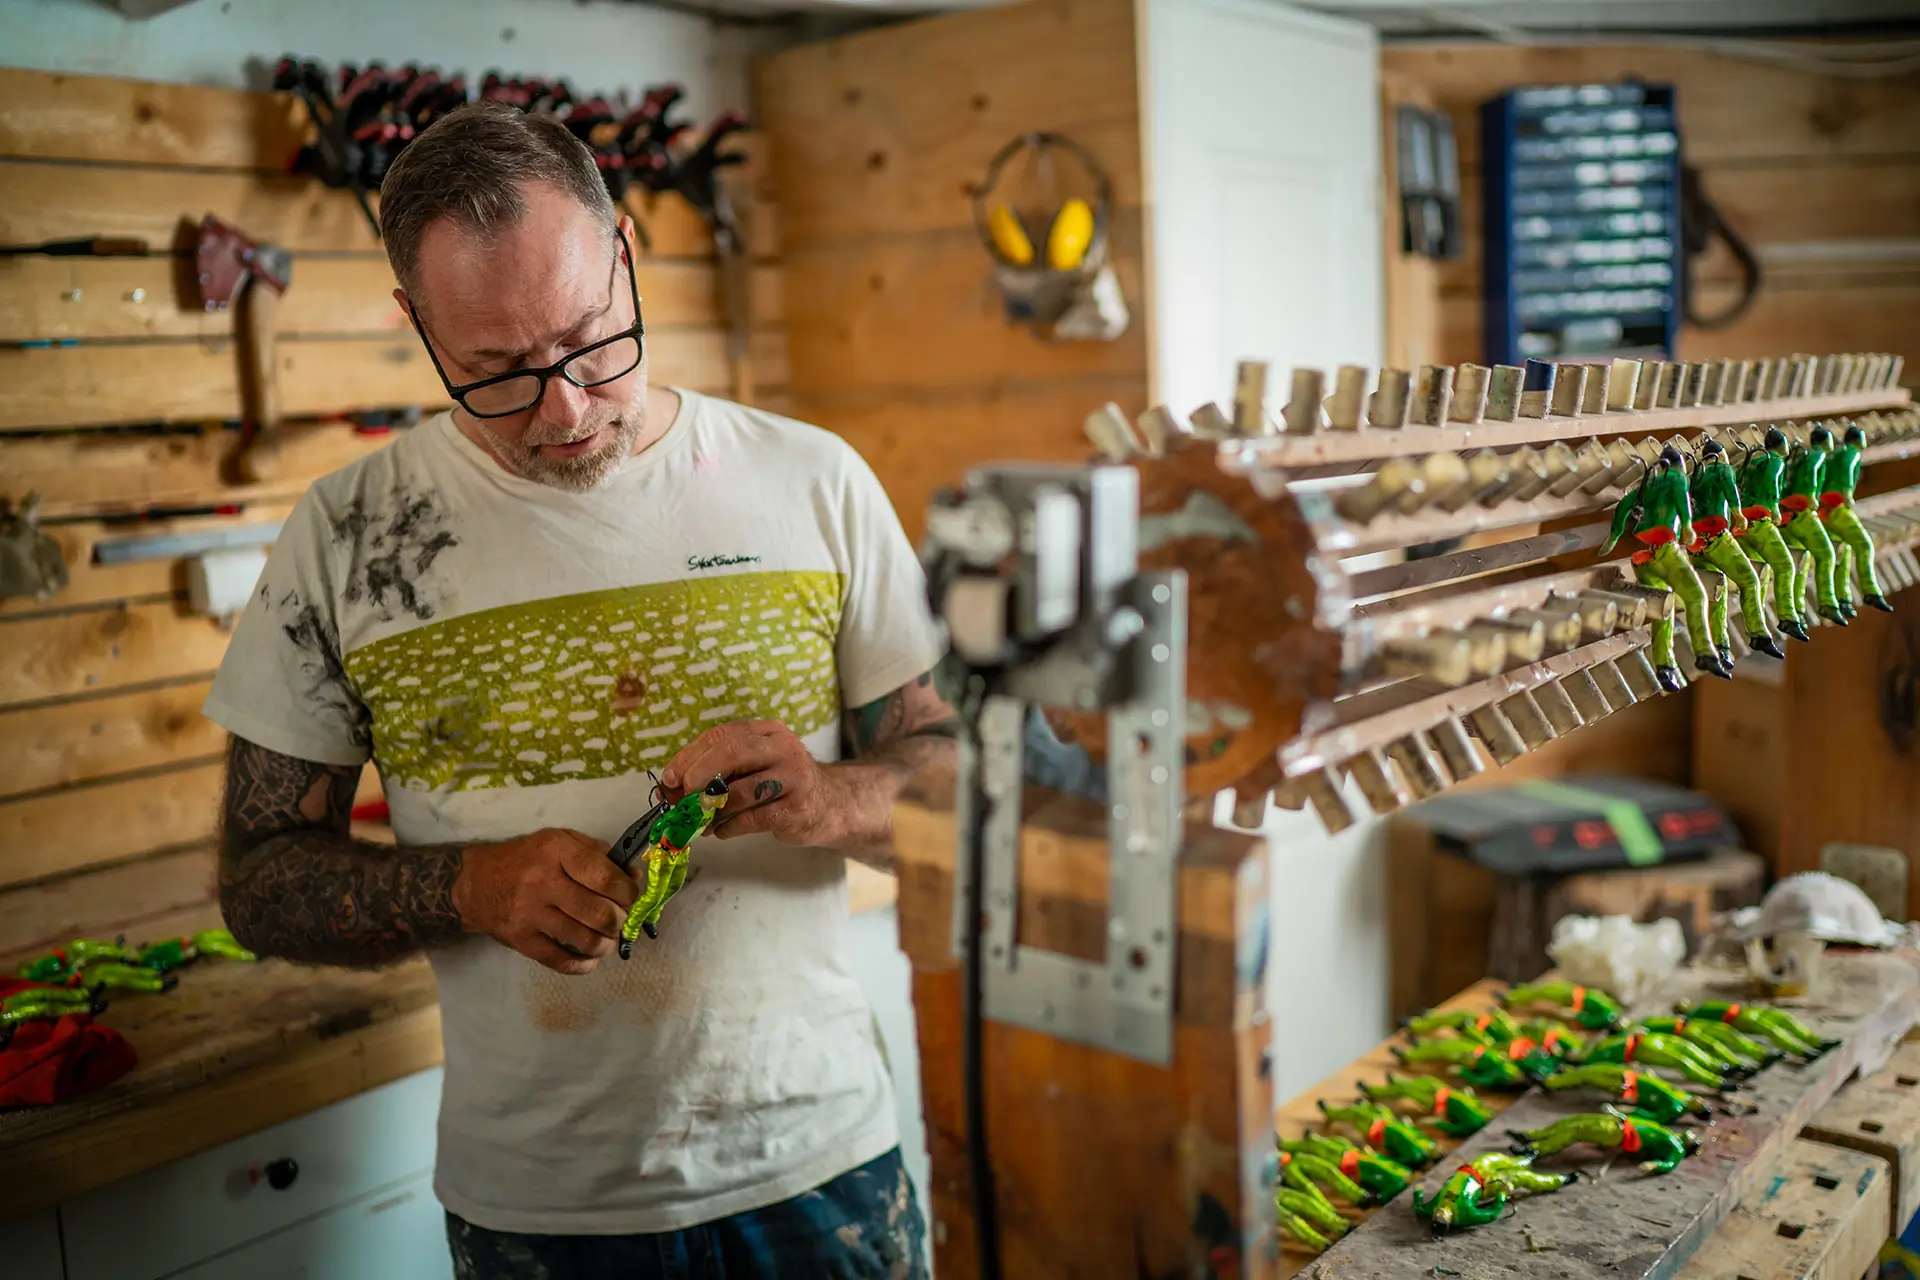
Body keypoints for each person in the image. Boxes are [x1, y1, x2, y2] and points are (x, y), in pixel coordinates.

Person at [202, 101, 953, 1279]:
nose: (564, 408)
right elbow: (258, 880)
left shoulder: (815, 480)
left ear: (626, 252)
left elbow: (958, 785)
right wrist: (468, 882)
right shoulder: (346, 538)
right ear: (416, 324)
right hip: (542, 1212)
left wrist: (824, 799)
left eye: (593, 339)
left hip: (818, 1168)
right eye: (497, 370)